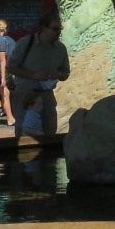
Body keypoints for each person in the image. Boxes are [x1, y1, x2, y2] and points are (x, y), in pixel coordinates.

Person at [8, 11, 69, 142]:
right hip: (25, 94)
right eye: (55, 28)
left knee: (49, 131)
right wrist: (33, 75)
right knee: (24, 132)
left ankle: (47, 161)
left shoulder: (60, 48)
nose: (59, 32)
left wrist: (58, 74)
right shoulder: (26, 43)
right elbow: (11, 67)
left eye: (60, 28)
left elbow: (65, 73)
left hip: (47, 95)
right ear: (43, 28)